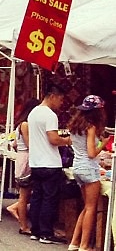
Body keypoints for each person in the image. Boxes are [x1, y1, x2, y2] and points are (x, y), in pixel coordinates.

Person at [27, 85, 72, 244]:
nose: (61, 103)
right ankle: (46, 232)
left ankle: (36, 230)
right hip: (50, 163)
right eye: (60, 99)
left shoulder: (33, 113)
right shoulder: (50, 115)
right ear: (52, 96)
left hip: (36, 161)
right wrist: (67, 141)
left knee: (37, 197)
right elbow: (53, 139)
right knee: (49, 198)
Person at [67, 95, 108, 251]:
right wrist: (103, 144)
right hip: (89, 168)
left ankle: (74, 243)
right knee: (91, 208)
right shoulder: (90, 127)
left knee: (86, 207)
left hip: (77, 167)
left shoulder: (75, 127)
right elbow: (91, 153)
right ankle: (84, 246)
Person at [6, 98, 40, 236]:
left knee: (25, 193)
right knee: (24, 195)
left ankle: (22, 221)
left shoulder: (20, 125)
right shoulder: (25, 125)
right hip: (26, 157)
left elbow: (15, 144)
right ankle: (24, 225)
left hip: (21, 157)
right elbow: (29, 144)